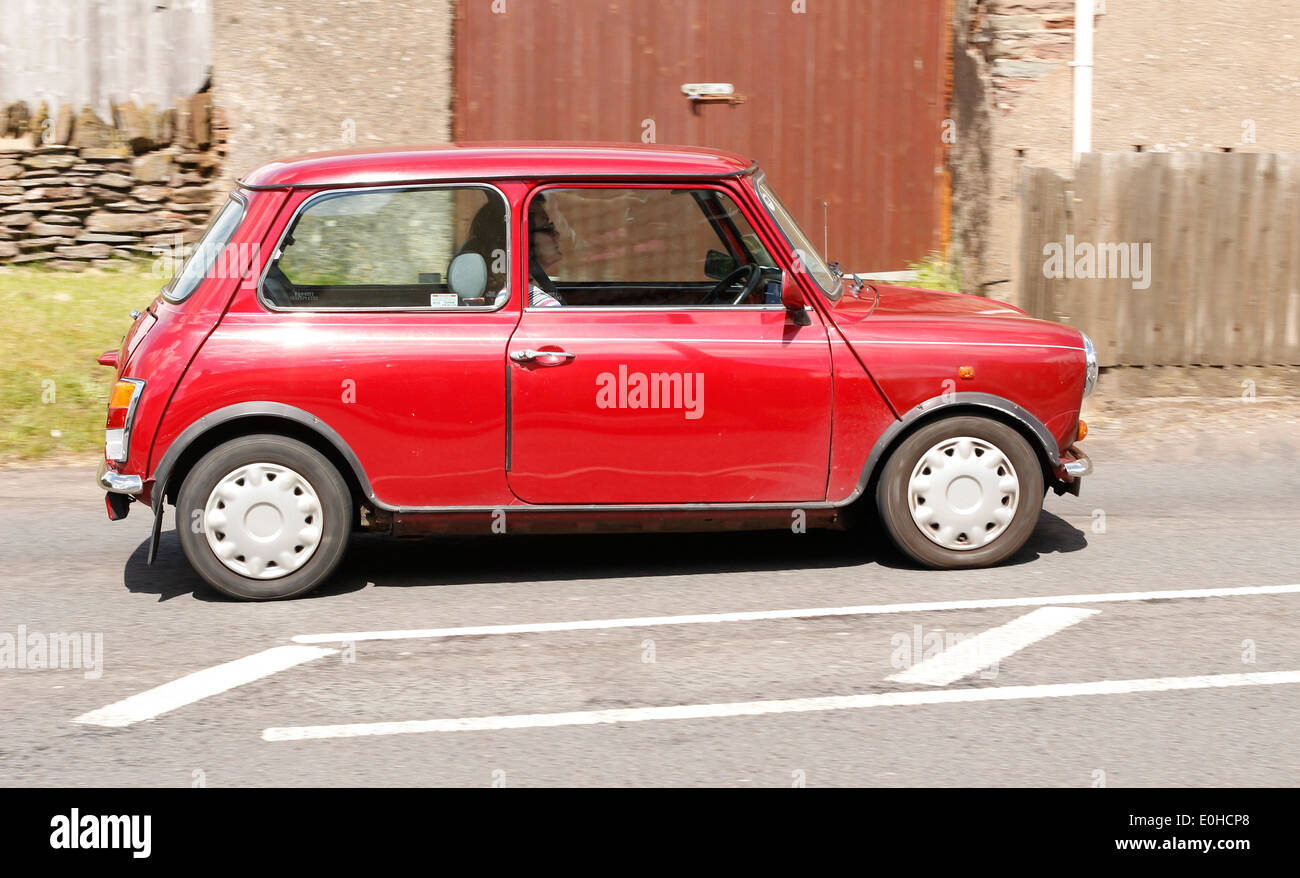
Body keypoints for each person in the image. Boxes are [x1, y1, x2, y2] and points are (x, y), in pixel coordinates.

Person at [527, 193, 569, 307]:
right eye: (547, 228)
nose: (557, 234)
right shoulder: (545, 305)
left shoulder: (535, 288)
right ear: (526, 238)